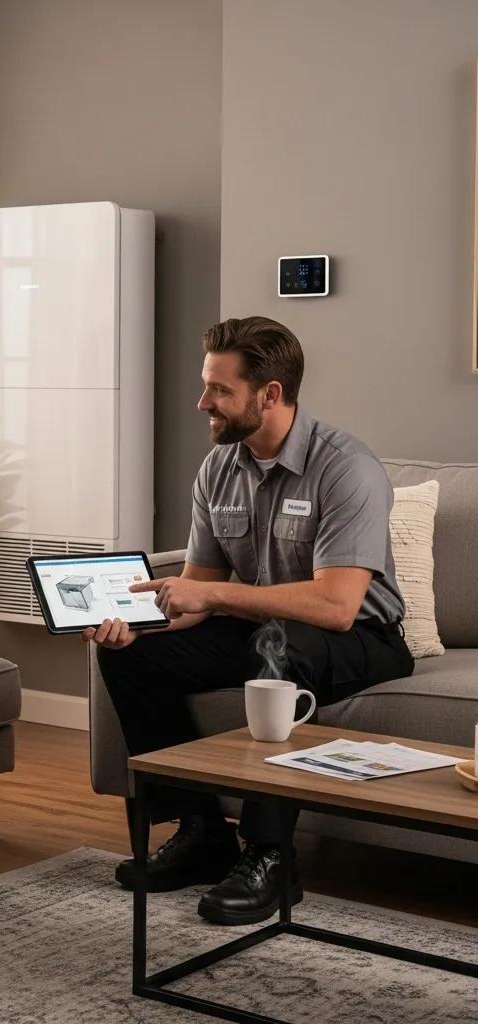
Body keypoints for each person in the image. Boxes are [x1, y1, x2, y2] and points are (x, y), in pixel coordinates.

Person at [88, 316, 414, 926]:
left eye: (220, 389)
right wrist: (138, 625)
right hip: (266, 628)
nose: (202, 402)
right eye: (206, 385)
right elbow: (198, 592)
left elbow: (337, 606)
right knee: (131, 653)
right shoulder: (218, 469)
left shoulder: (346, 467)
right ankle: (202, 833)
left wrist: (214, 598)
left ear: (269, 394)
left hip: (362, 638)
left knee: (278, 649)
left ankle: (271, 855)